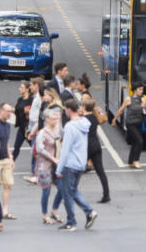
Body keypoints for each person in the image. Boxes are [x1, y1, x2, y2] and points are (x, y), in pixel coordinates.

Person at [56, 98, 97, 231]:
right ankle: (89, 212)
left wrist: (58, 169)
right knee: (73, 190)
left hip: (70, 164)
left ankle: (71, 222)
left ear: (68, 110)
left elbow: (65, 149)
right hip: (80, 163)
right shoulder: (84, 123)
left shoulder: (70, 126)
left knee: (67, 193)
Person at [35, 107, 63, 224]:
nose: (56, 120)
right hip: (45, 165)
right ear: (46, 119)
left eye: (57, 118)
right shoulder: (42, 133)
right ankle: (45, 214)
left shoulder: (58, 129)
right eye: (53, 118)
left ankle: (54, 211)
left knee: (62, 189)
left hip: (57, 164)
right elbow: (39, 149)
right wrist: (53, 159)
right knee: (46, 191)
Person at [82, 98, 110, 203]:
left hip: (87, 146)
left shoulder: (83, 119)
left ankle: (70, 193)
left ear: (84, 107)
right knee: (100, 171)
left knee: (75, 169)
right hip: (96, 145)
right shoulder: (94, 117)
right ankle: (106, 195)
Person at [112, 83, 146, 168]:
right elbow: (121, 110)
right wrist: (114, 120)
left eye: (142, 90)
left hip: (139, 123)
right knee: (140, 141)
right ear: (135, 90)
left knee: (135, 142)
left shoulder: (143, 99)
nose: (142, 91)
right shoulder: (128, 99)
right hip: (130, 123)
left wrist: (145, 107)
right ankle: (136, 161)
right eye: (140, 90)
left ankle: (130, 162)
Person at [0, 102, 16, 219]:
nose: (10, 114)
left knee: (7, 185)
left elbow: (6, 142)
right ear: (1, 111)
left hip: (5, 159)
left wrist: (10, 157)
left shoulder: (7, 125)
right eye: (8, 111)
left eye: (11, 112)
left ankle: (5, 211)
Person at [13, 81, 32, 161]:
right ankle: (11, 163)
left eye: (21, 87)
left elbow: (34, 112)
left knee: (34, 147)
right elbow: (17, 110)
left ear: (27, 89)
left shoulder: (31, 100)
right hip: (21, 127)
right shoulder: (20, 99)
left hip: (29, 128)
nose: (19, 89)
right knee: (16, 147)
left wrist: (28, 111)